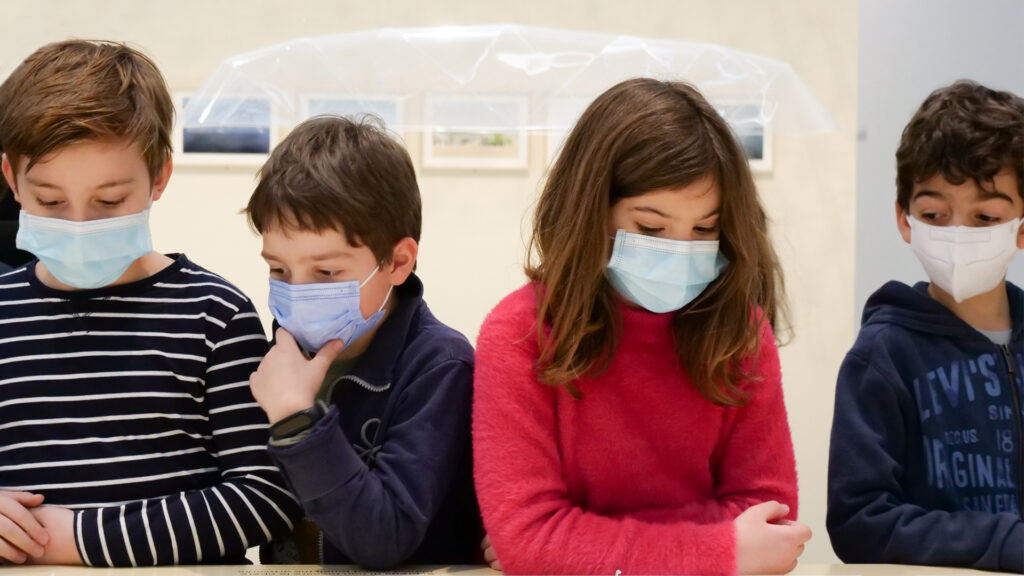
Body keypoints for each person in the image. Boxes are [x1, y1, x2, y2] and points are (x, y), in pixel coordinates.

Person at [472, 77, 811, 575]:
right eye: (651, 228)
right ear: (591, 211)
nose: (681, 250)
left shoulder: (740, 330)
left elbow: (770, 522)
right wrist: (720, 548)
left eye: (705, 228)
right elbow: (530, 537)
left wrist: (575, 545)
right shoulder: (519, 331)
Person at [0, 40, 301, 566]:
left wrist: (79, 539)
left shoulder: (215, 314)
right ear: (11, 180)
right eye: (50, 201)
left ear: (159, 176)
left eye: (109, 200)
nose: (79, 224)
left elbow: (267, 497)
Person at [245, 115, 481, 569]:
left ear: (397, 262)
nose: (297, 291)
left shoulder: (440, 367)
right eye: (278, 270)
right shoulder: (278, 358)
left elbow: (385, 537)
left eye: (326, 272)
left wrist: (296, 421)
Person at [828, 80, 1024, 573]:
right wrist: (1005, 542)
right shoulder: (882, 355)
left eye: (986, 216)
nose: (958, 234)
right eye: (934, 214)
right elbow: (859, 523)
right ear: (905, 219)